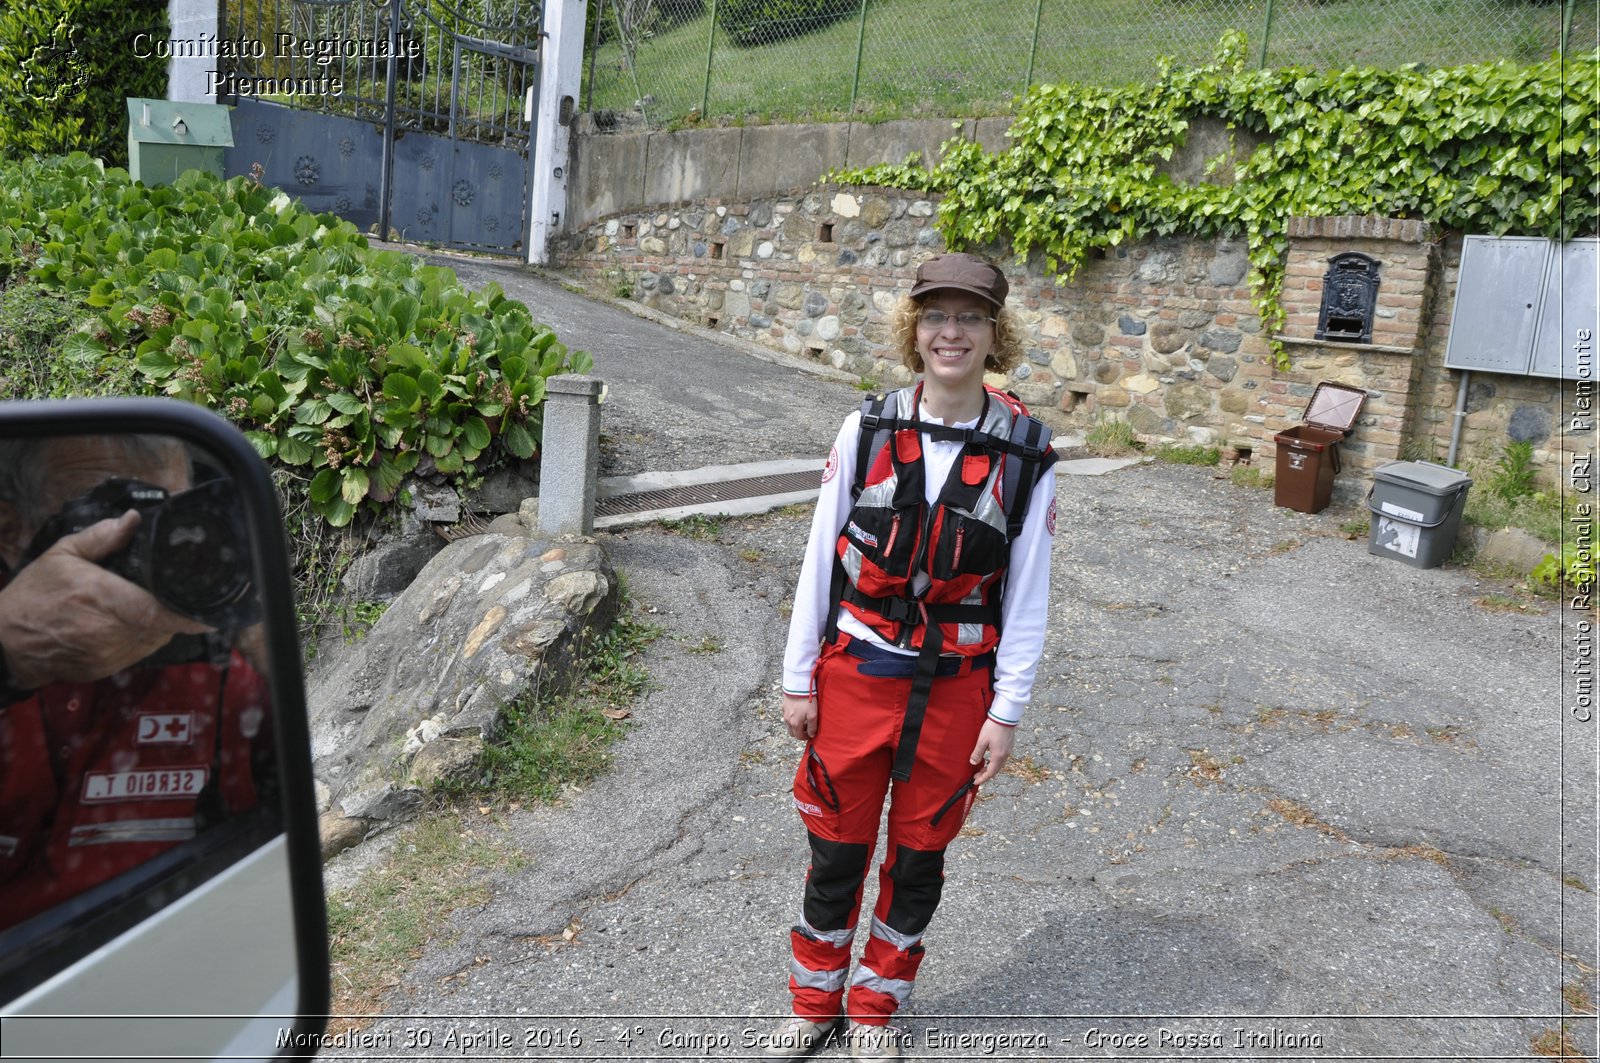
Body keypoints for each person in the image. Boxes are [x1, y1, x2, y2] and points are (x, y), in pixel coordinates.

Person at [766, 253, 1058, 1060]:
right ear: (914, 328)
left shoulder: (1027, 454)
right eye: (937, 316)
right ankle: (813, 1002)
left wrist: (1006, 711)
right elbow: (819, 555)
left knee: (918, 857)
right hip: (858, 674)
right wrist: (798, 678)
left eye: (970, 317)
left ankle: (872, 1012)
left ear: (996, 333)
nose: (951, 332)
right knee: (837, 848)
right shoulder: (867, 429)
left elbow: (1028, 594)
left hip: (956, 689)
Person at [0, 434, 272, 929]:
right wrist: (8, 654)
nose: (146, 545)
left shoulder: (225, 678)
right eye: (110, 517)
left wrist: (255, 628)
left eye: (169, 520)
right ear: (10, 531)